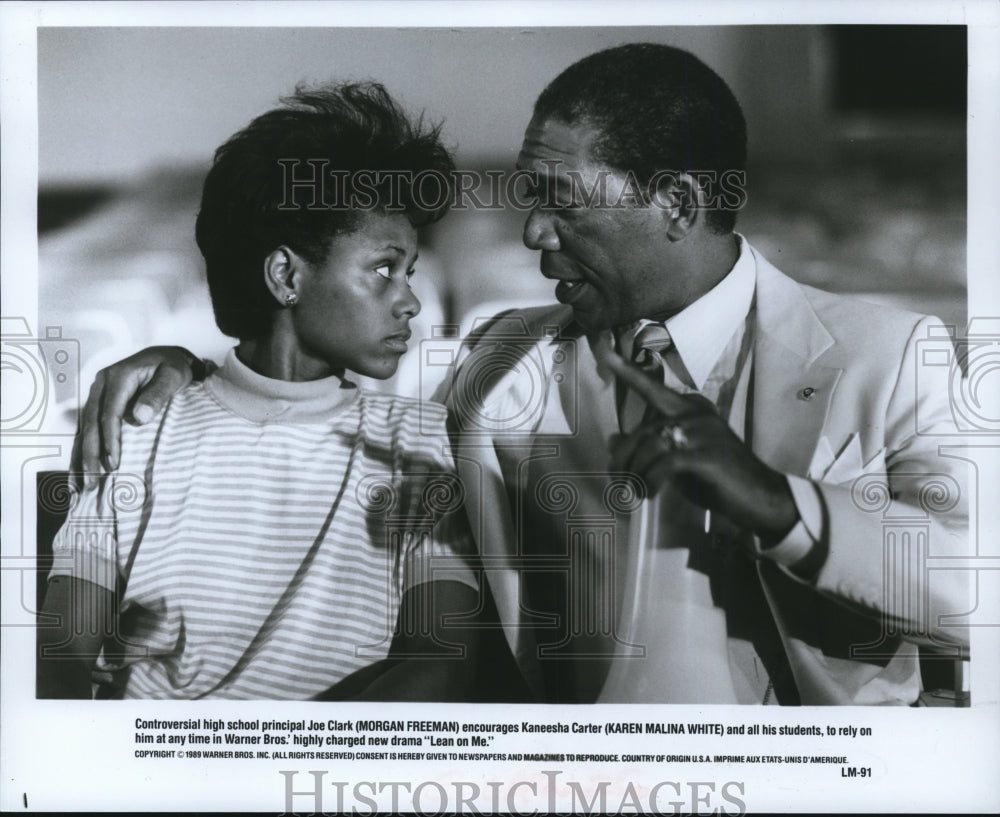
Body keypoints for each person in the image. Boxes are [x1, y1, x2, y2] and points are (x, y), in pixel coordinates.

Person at [71, 44, 970, 705]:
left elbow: (978, 595)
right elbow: (306, 378)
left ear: (678, 206)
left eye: (557, 199)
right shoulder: (503, 361)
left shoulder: (888, 355)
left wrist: (778, 503)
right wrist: (178, 365)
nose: (532, 232)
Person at [38, 82, 482, 700]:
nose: (409, 300)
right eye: (384, 269)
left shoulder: (417, 441)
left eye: (410, 272)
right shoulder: (136, 427)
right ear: (285, 276)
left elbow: (446, 658)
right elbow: (64, 653)